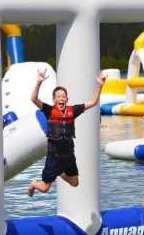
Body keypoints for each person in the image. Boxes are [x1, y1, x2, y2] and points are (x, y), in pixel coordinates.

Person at [28, 69, 106, 197]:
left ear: (67, 99)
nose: (61, 98)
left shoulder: (73, 110)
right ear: (54, 100)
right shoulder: (49, 110)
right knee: (44, 188)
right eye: (58, 96)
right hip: (54, 157)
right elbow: (33, 98)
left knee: (75, 183)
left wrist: (100, 85)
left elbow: (93, 102)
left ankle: (60, 172)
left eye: (63, 96)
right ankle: (33, 183)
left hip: (68, 155)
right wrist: (38, 82)